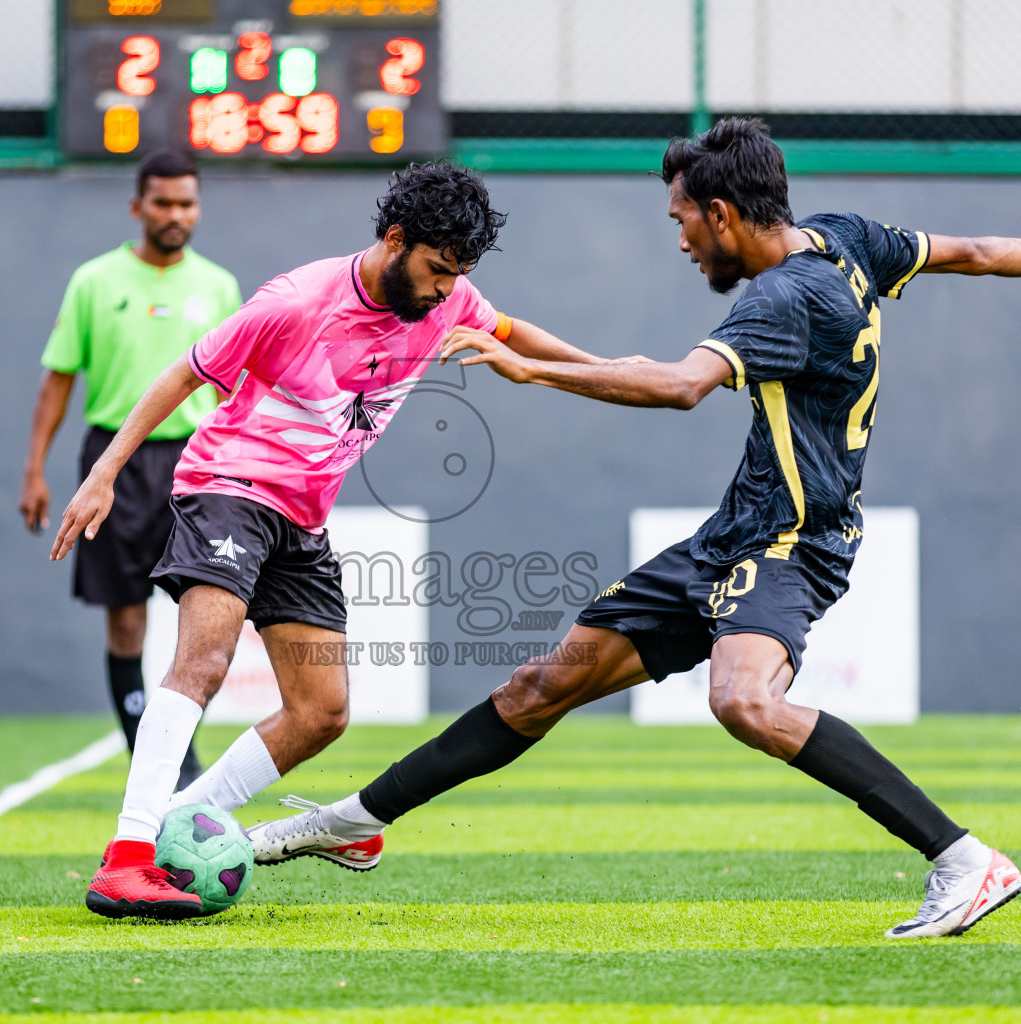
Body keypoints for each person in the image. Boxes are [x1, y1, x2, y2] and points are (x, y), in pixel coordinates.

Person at [249, 117, 1021, 940]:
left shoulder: (784, 299)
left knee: (744, 702)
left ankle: (964, 858)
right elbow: (977, 252)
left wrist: (537, 373)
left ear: (725, 215)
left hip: (791, 542)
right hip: (730, 538)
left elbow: (676, 387)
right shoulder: (848, 240)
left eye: (681, 221)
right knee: (541, 686)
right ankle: (355, 820)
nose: (681, 241)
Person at [49, 162, 621, 920]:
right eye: (439, 269)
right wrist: (104, 473)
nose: (449, 290)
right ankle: (126, 859)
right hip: (227, 487)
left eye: (460, 275)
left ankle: (174, 822)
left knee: (321, 711)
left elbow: (514, 332)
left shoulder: (448, 300)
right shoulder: (296, 301)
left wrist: (609, 370)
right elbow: (182, 376)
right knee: (206, 660)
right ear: (394, 240)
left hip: (302, 519)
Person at [22, 149, 240, 789]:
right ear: (137, 206)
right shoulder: (95, 281)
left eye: (187, 202)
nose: (176, 214)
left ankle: (182, 759)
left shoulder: (219, 286)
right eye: (164, 202)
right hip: (113, 462)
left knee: (203, 616)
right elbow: (57, 380)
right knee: (125, 617)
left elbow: (233, 390)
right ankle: (144, 756)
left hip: (196, 465)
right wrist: (35, 469)